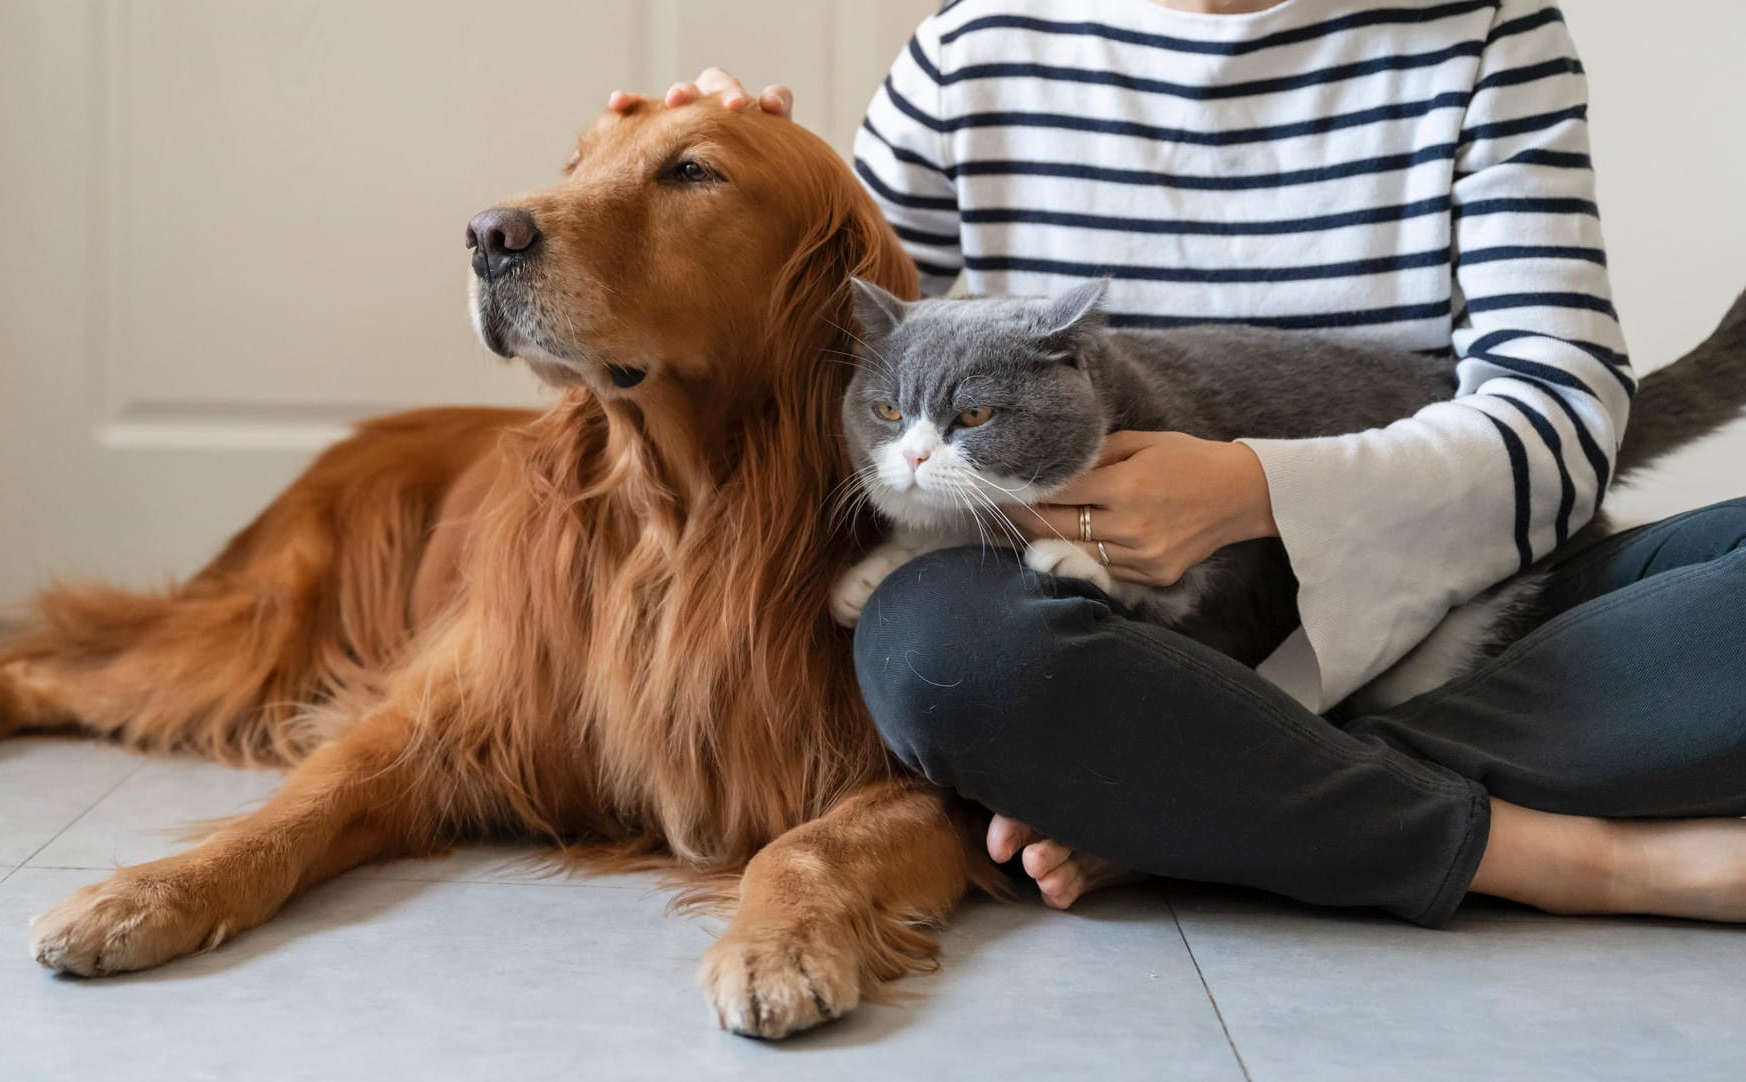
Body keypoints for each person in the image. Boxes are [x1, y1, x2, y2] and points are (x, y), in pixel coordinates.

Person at [615, 0, 1746, 927]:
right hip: (1088, 627)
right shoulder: (972, 52)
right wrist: (724, 182)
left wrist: (1252, 491)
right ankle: (1565, 857)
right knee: (939, 650)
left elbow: (1564, 413)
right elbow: (842, 351)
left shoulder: (1487, 35)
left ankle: (1204, 790)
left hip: (1446, 598)